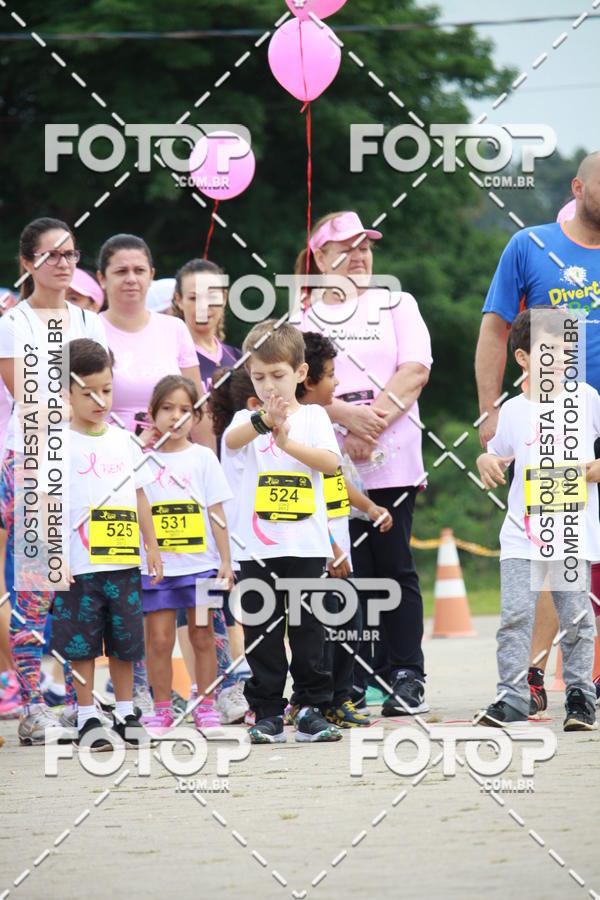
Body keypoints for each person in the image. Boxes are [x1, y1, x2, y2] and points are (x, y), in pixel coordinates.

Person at [292, 210, 432, 716]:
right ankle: (346, 680)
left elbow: (414, 370)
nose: (359, 256)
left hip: (391, 459)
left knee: (394, 567)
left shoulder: (397, 302)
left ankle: (405, 675)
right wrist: (343, 416)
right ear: (319, 259)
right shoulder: (299, 317)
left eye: (364, 247)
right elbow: (287, 386)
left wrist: (368, 423)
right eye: (345, 249)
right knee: (340, 571)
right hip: (325, 464)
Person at [475, 151, 600, 711]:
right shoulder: (530, 245)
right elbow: (496, 329)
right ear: (578, 187)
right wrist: (488, 411)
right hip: (550, 422)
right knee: (556, 547)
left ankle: (583, 685)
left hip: (590, 410)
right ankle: (530, 676)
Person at [0, 217, 108, 744]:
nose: (64, 264)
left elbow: (99, 398)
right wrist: (75, 403)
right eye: (52, 256)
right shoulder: (13, 323)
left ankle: (79, 702)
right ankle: (30, 706)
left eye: (71, 254)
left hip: (86, 465)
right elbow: (30, 399)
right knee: (35, 591)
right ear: (27, 263)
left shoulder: (91, 323)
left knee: (84, 587)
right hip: (34, 466)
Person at [96, 233, 214, 715]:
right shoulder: (88, 327)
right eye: (120, 271)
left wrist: (206, 471)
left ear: (152, 276)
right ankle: (133, 694)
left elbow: (198, 406)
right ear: (102, 278)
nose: (130, 279)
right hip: (111, 470)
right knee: (125, 586)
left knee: (193, 589)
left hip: (176, 475)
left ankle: (213, 694)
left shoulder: (173, 331)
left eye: (139, 270)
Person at [476, 309, 598, 730]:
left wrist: (590, 469)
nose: (562, 357)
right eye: (550, 350)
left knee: (577, 617)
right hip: (520, 534)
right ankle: (511, 696)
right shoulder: (511, 410)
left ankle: (581, 696)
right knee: (514, 616)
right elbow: (495, 451)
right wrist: (484, 459)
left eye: (568, 349)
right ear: (524, 359)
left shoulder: (586, 399)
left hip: (569, 533)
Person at [222, 320, 342, 744]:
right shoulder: (245, 419)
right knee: (263, 632)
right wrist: (262, 423)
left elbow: (330, 464)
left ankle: (310, 707)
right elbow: (232, 442)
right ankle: (268, 710)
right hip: (254, 549)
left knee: (310, 629)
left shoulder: (314, 417)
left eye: (278, 375)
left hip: (305, 545)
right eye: (259, 376)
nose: (269, 385)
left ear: (300, 373)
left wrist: (288, 443)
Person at [49, 338, 162, 750]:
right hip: (78, 566)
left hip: (124, 563)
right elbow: (45, 504)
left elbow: (140, 495)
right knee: (80, 643)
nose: (100, 399)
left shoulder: (124, 440)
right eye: (89, 392)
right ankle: (86, 714)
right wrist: (51, 558)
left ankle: (127, 711)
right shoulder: (54, 445)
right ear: (67, 394)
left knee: (126, 641)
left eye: (107, 389)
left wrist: (151, 546)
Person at [295, 331, 392, 728]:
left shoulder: (321, 425)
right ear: (308, 380)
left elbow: (337, 480)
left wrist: (369, 507)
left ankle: (341, 698)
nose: (337, 384)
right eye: (331, 375)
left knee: (346, 626)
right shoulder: (298, 433)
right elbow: (304, 502)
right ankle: (311, 703)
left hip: (339, 552)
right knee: (319, 631)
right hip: (320, 551)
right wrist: (331, 544)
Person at [138, 375, 234, 734]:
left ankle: (206, 705)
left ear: (197, 417)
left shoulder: (204, 458)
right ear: (152, 413)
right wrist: (141, 445)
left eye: (184, 410)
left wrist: (225, 561)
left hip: (203, 567)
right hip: (158, 569)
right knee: (159, 639)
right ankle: (161, 708)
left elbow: (217, 512)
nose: (175, 417)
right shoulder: (140, 461)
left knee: (203, 633)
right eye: (167, 408)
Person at [171, 258, 242, 389]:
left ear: (224, 298)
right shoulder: (171, 358)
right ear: (179, 300)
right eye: (194, 298)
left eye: (212, 296)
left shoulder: (238, 358)